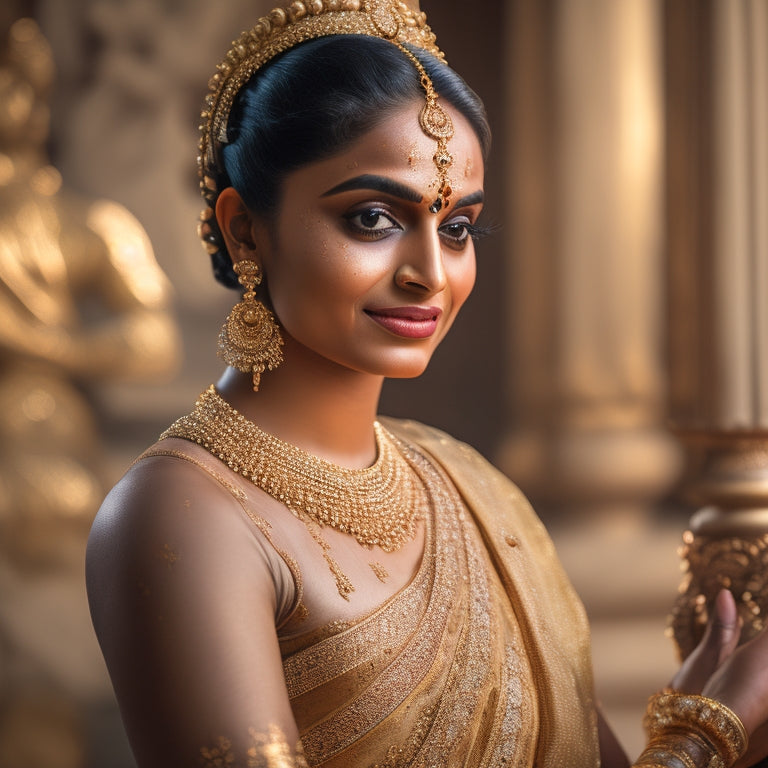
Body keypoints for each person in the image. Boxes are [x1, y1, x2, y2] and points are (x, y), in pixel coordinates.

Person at [85, 2, 768, 767]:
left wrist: (694, 729)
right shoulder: (185, 516)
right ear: (246, 228)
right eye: (373, 218)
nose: (431, 275)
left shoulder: (471, 486)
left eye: (457, 227)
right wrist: (703, 742)